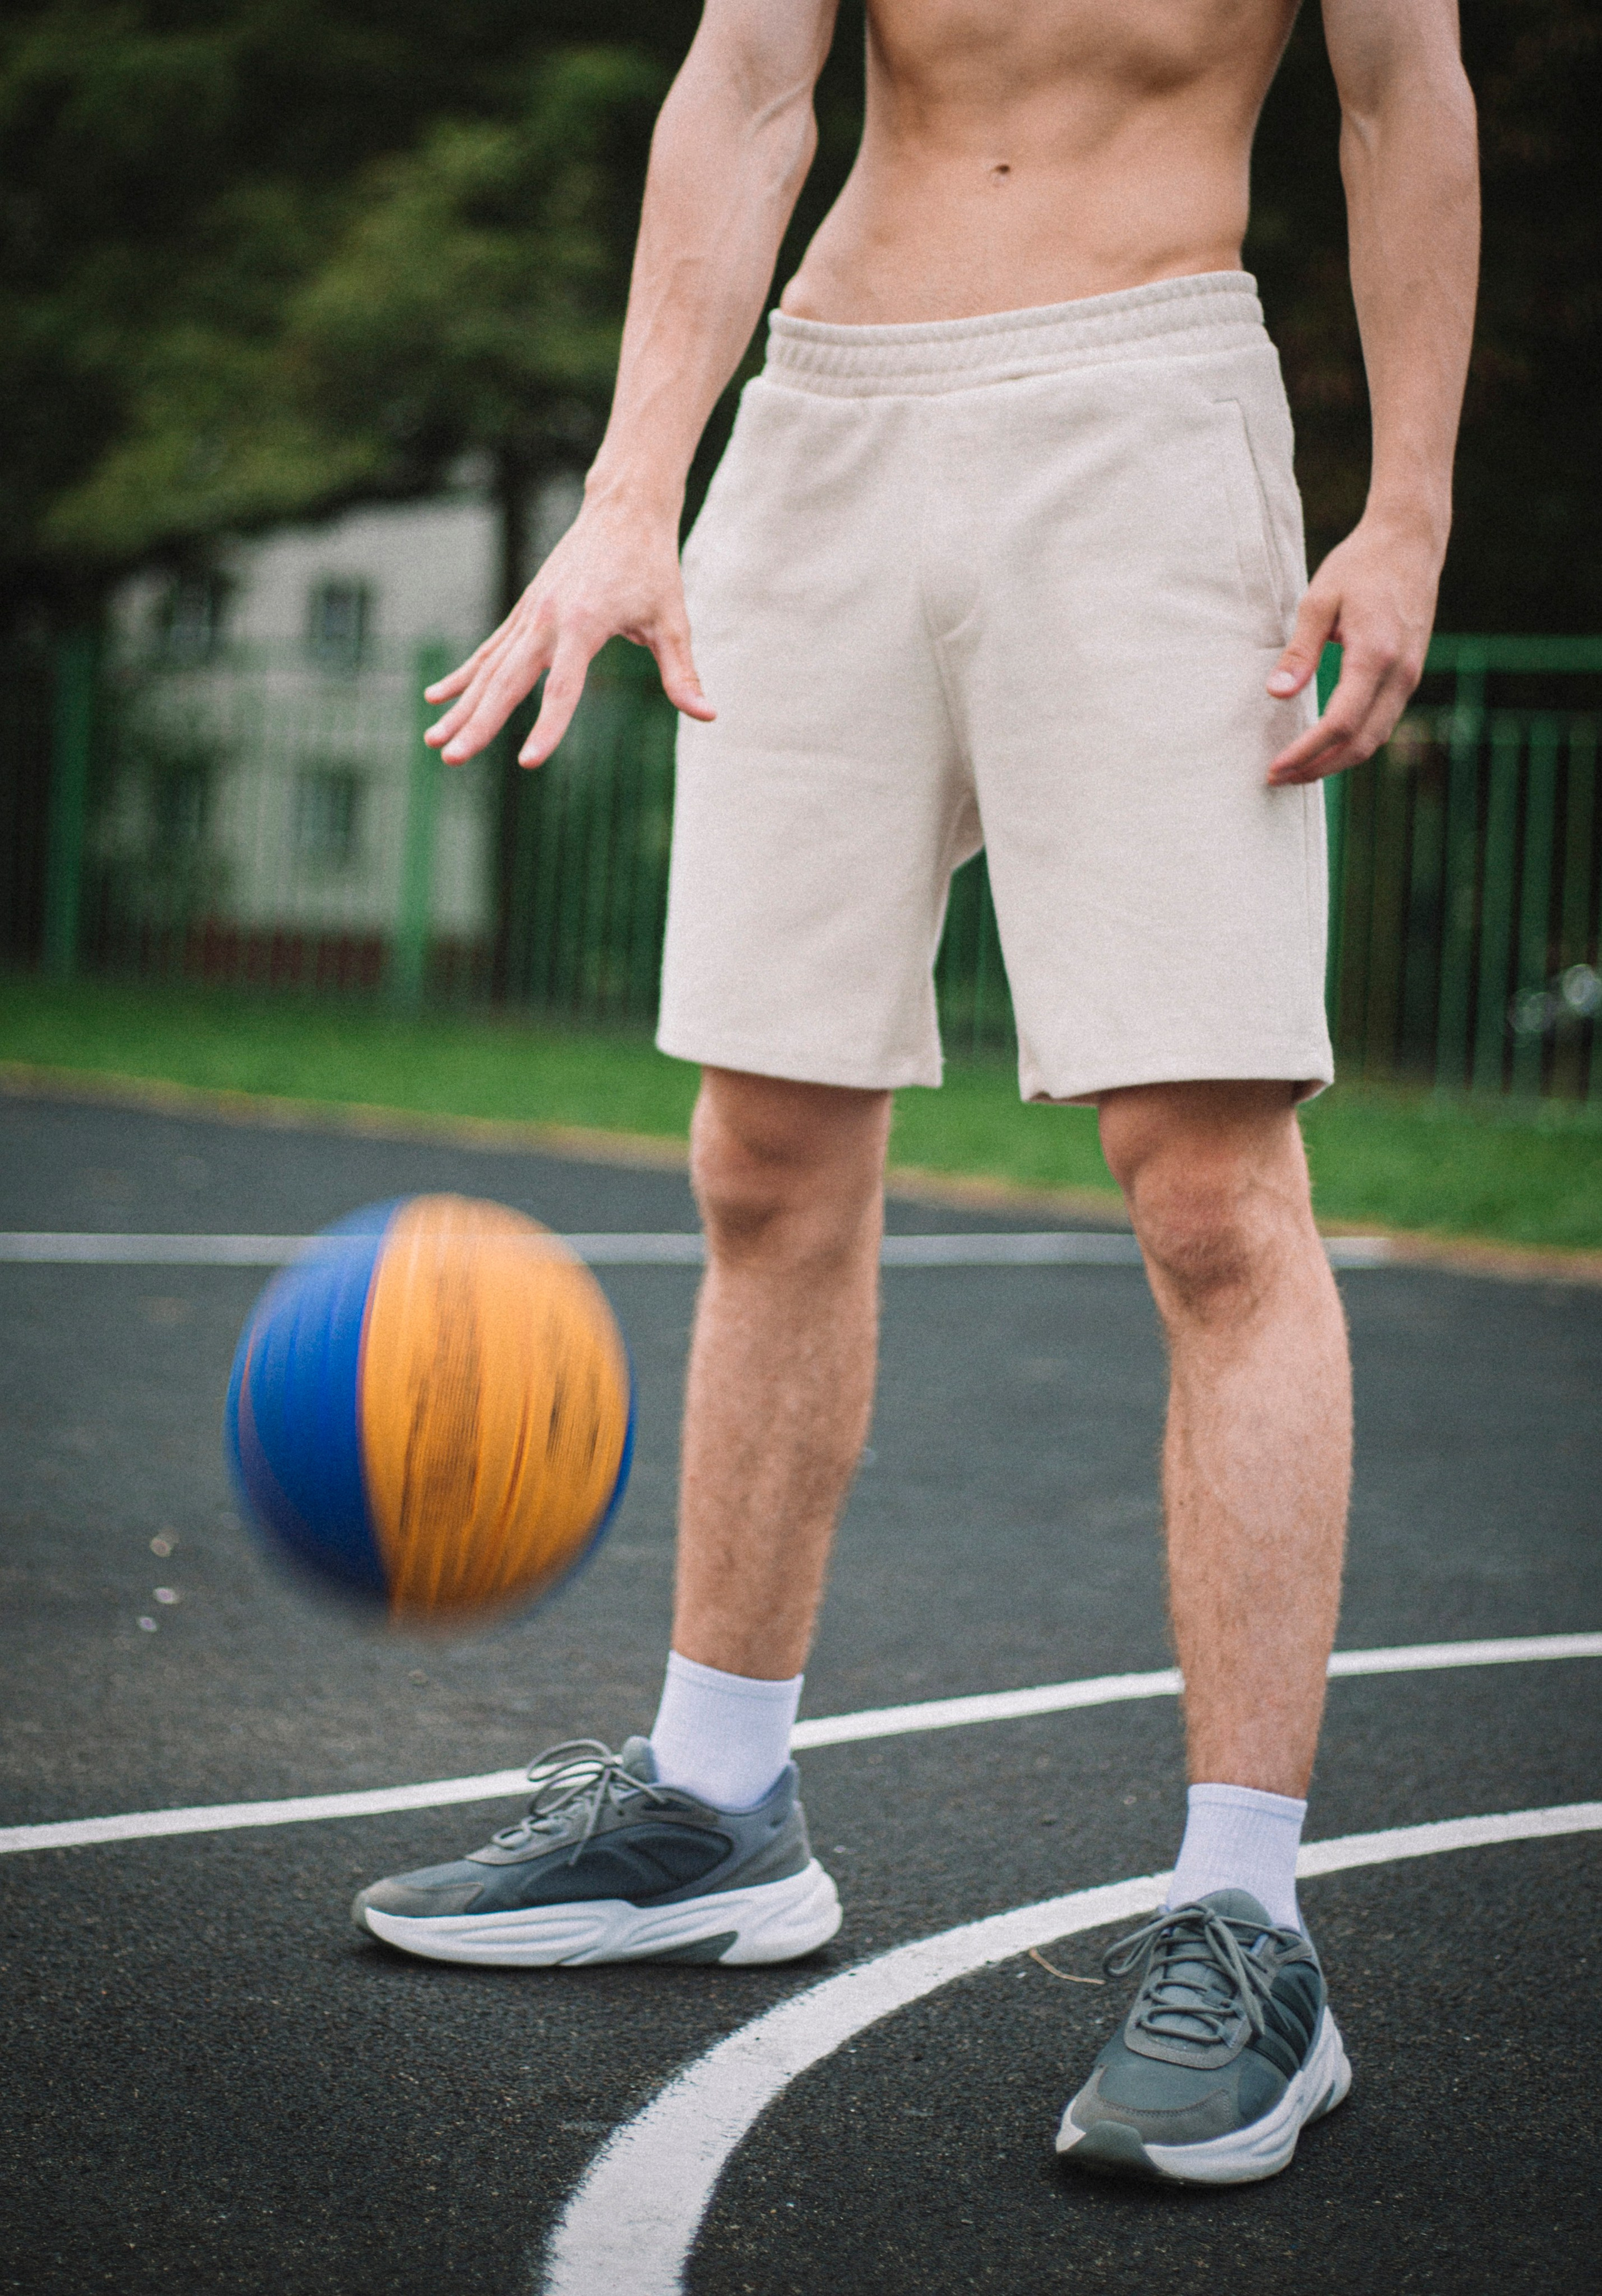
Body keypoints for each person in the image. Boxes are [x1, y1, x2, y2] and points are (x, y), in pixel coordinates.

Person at [352, 0, 1478, 2185]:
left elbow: (1396, 93)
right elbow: (749, 81)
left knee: (1211, 1194)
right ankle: (715, 1809)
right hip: (828, 421)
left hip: (1148, 430)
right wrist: (632, 489)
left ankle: (1246, 1924)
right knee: (764, 1159)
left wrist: (1411, 508)